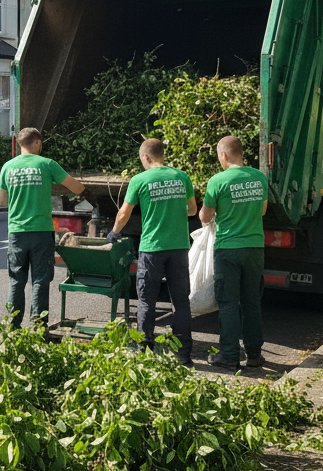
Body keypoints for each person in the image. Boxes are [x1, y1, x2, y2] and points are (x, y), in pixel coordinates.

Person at [109, 138, 197, 365]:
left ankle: (143, 351)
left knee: (147, 299)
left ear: (146, 157)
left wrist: (114, 232)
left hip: (152, 248)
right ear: (162, 154)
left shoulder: (139, 180)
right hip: (179, 247)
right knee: (181, 300)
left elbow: (124, 214)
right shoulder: (182, 176)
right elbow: (192, 210)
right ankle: (184, 354)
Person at [0, 127, 89, 329]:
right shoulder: (47, 164)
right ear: (37, 143)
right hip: (41, 231)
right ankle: (38, 327)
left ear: (20, 143)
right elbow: (76, 187)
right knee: (40, 279)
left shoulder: (7, 167)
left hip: (17, 232)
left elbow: (1, 200)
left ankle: (13, 327)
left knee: (16, 281)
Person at [198, 136, 270, 372]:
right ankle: (254, 354)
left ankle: (229, 356)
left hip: (228, 249)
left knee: (228, 304)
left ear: (223, 155)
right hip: (255, 248)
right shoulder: (260, 177)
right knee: (252, 302)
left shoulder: (217, 181)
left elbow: (205, 217)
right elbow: (262, 210)